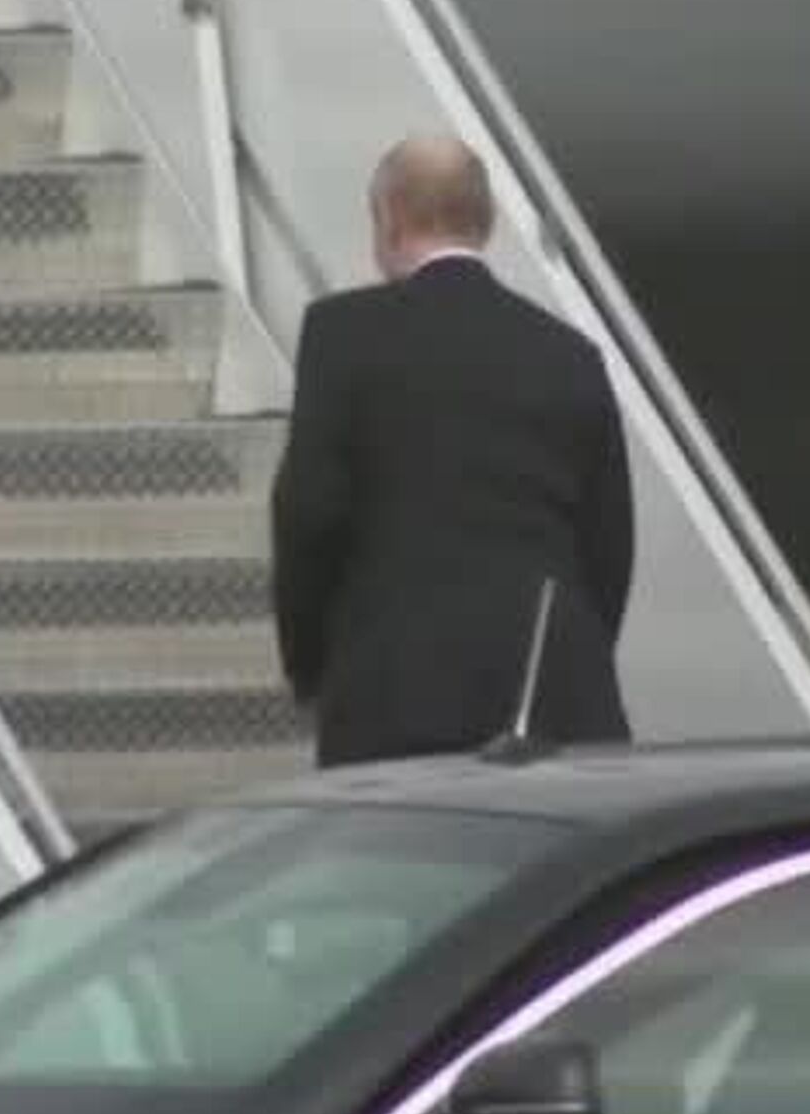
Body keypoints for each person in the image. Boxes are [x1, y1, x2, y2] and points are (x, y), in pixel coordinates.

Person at [272, 135, 635, 766]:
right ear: (486, 221)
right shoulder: (570, 355)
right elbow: (608, 541)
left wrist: (309, 666)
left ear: (388, 219)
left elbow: (309, 512)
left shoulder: (343, 335)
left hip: (395, 695)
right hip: (553, 695)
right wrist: (572, 657)